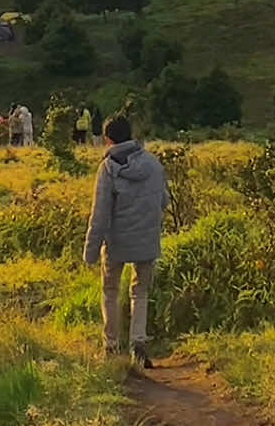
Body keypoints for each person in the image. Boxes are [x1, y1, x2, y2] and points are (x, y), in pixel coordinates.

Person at [83, 115, 168, 368]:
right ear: (131, 134)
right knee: (140, 292)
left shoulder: (108, 168)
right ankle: (138, 345)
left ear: (108, 138)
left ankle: (111, 346)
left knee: (110, 291)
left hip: (117, 242)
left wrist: (90, 251)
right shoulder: (153, 164)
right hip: (147, 239)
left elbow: (100, 214)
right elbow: (164, 201)